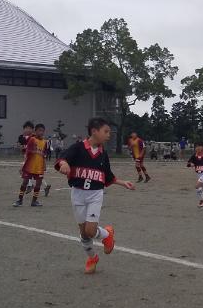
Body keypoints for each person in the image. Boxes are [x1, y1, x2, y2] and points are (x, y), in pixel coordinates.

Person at [55, 117, 135, 274]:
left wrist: (123, 182)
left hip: (95, 194)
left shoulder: (103, 154)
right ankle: (92, 258)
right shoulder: (78, 148)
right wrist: (64, 164)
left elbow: (108, 175)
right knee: (84, 234)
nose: (108, 135)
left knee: (91, 231)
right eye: (106, 132)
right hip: (77, 194)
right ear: (94, 131)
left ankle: (106, 235)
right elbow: (62, 158)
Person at [13, 124, 50, 207]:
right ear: (35, 131)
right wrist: (23, 165)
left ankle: (34, 201)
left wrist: (44, 165)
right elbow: (27, 152)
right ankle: (19, 200)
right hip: (29, 166)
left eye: (43, 131)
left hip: (39, 166)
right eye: (39, 130)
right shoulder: (32, 139)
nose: (41, 132)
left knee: (38, 184)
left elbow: (44, 155)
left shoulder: (45, 142)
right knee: (25, 182)